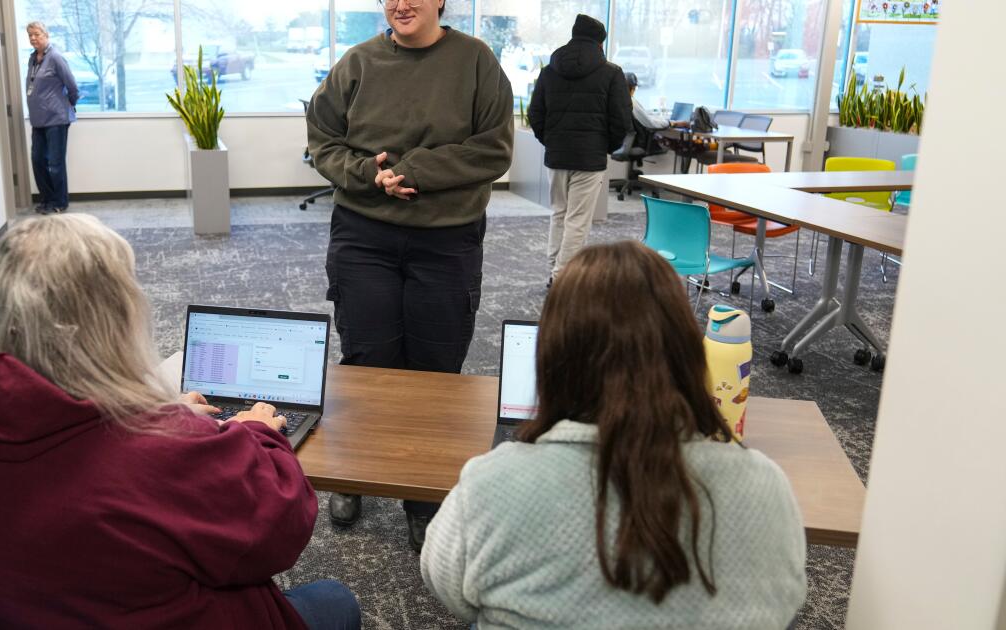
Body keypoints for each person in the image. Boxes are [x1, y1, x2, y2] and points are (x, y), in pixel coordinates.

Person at [0, 214, 361, 630]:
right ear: (114, 318)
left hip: (3, 612)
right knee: (336, 600)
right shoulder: (161, 453)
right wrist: (255, 430)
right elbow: (281, 534)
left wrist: (162, 418)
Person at [420, 241, 807, 628]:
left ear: (553, 357)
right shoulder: (765, 486)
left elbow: (447, 585)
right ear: (687, 352)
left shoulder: (491, 485)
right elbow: (785, 602)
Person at [306, 0, 513, 552]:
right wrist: (367, 176)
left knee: (435, 370)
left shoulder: (475, 62)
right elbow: (322, 141)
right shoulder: (358, 63)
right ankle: (354, 473)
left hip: (447, 240)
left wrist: (411, 170)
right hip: (364, 235)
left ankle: (424, 497)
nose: (401, 4)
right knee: (368, 362)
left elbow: (494, 148)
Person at [527, 14, 631, 285]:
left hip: (557, 155)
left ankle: (554, 270)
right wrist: (605, 147)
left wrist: (550, 141)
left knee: (559, 214)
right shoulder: (611, 73)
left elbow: (535, 114)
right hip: (590, 157)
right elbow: (621, 119)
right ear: (600, 43)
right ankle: (563, 279)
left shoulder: (550, 70)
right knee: (577, 220)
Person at [25, 21, 78, 215]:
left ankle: (59, 202)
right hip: (38, 120)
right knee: (38, 160)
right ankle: (47, 199)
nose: (33, 38)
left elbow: (72, 86)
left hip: (56, 119)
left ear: (46, 35)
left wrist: (70, 105)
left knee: (55, 163)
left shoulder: (55, 57)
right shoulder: (33, 59)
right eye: (30, 35)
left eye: (37, 34)